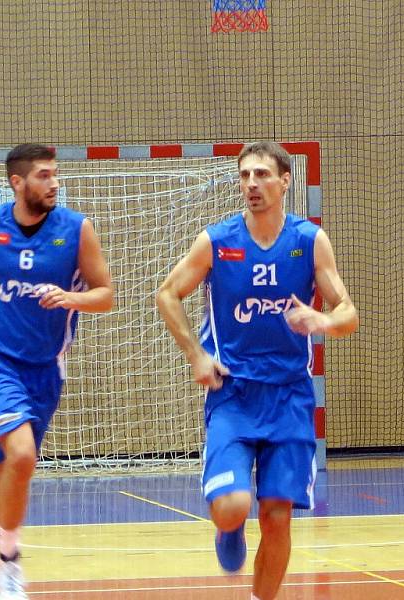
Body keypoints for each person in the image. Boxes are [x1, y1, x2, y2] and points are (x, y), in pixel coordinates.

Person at [156, 141, 358, 600]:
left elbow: (348, 311)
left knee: (278, 516)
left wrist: (322, 319)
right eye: (245, 175)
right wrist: (196, 355)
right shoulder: (217, 241)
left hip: (289, 396)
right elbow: (167, 294)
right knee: (232, 508)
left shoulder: (308, 241)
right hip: (233, 394)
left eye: (263, 175)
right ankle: (228, 530)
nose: (252, 184)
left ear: (285, 182)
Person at [0, 143, 114, 600]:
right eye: (43, 175)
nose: (54, 183)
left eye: (55, 174)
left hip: (46, 368)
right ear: (18, 182)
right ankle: (10, 564)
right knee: (24, 455)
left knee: (11, 470)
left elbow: (106, 293)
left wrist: (71, 298)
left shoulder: (76, 230)